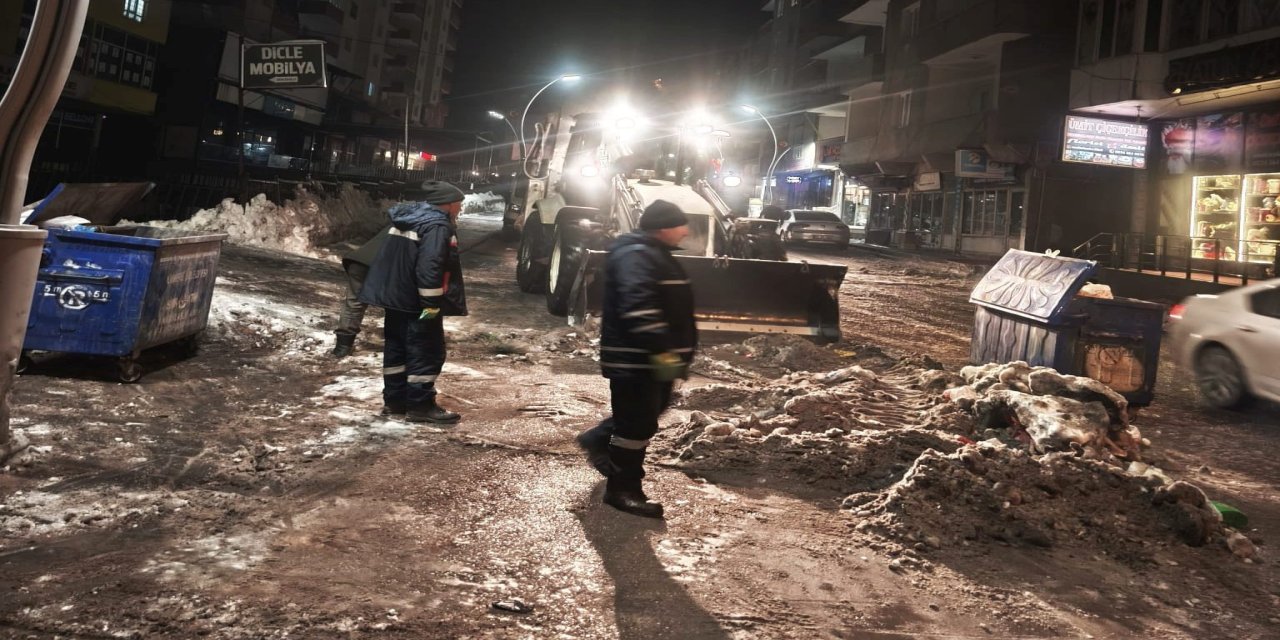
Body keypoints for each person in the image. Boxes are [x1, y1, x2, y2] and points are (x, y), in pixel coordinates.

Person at [575, 200, 697, 518]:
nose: (685, 230)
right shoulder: (637, 254)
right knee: (635, 426)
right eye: (680, 224)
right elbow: (638, 305)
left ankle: (598, 439)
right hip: (638, 357)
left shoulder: (653, 253)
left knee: (647, 414)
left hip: (648, 357)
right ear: (664, 227)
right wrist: (662, 349)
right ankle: (623, 490)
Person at [358, 180, 468, 424]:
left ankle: (395, 403)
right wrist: (430, 304)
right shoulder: (437, 225)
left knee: (396, 349)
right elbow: (430, 267)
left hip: (395, 298)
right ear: (448, 204)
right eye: (459, 204)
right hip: (416, 302)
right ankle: (420, 406)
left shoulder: (410, 218)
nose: (460, 209)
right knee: (426, 349)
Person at [330, 224, 391, 358]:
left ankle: (342, 347)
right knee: (397, 304)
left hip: (358, 262)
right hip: (382, 265)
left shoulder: (397, 222)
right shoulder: (427, 228)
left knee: (354, 303)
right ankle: (401, 343)